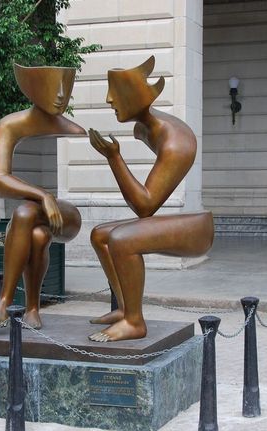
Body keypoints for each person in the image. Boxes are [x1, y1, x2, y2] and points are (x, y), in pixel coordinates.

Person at [87, 56, 214, 342]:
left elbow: (145, 206)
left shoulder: (176, 142)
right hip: (185, 223)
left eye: (116, 92)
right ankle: (124, 309)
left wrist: (114, 158)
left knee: (123, 239)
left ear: (136, 97)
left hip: (197, 230)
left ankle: (135, 322)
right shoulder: (144, 128)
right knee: (100, 235)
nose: (109, 99)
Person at [0, 64, 85, 329]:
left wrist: (48, 199)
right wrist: (43, 195)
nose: (61, 94)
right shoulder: (10, 126)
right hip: (40, 215)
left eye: (67, 85)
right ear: (32, 88)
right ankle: (32, 309)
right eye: (54, 85)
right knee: (38, 235)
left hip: (68, 217)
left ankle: (5, 300)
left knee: (23, 213)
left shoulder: (76, 129)